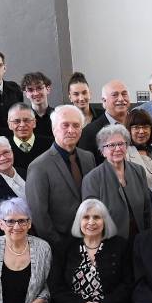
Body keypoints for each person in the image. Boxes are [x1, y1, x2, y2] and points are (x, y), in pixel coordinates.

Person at [26, 104, 97, 249]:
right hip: (60, 246)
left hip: (91, 239)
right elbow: (39, 215)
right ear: (54, 129)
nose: (71, 130)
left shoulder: (88, 158)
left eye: (76, 125)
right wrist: (58, 243)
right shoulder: (39, 166)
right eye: (65, 125)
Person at [81, 124, 152, 241]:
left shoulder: (138, 170)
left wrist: (148, 236)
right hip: (110, 244)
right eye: (111, 145)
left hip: (140, 240)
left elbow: (147, 209)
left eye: (120, 144)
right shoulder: (92, 179)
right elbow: (91, 221)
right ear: (102, 151)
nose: (118, 149)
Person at [79, 80, 132, 160]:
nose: (121, 99)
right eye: (114, 95)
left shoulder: (139, 126)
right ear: (104, 101)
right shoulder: (90, 132)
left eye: (124, 94)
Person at [6, 102, 53, 177]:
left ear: (34, 122)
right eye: (17, 121)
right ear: (9, 124)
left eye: (26, 120)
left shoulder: (51, 145)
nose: (22, 125)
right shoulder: (4, 148)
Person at [125, 108, 152, 190]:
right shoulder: (124, 154)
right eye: (136, 127)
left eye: (145, 127)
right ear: (128, 130)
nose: (141, 131)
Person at [21, 71, 54, 137]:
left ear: (48, 89)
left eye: (39, 88)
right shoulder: (22, 120)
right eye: (30, 90)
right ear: (26, 94)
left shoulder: (58, 116)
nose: (36, 93)